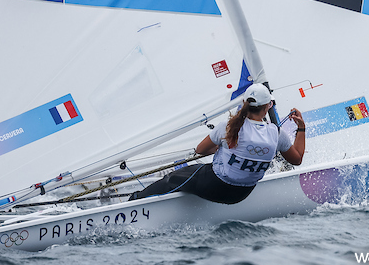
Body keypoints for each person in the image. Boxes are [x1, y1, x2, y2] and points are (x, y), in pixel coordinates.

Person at [129, 84, 304, 204]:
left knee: (174, 179)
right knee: (195, 175)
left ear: (244, 103)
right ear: (268, 106)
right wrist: (301, 128)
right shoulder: (277, 134)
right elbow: (296, 159)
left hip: (216, 186)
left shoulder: (228, 127)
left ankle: (135, 200)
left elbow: (201, 150)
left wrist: (222, 147)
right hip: (241, 195)